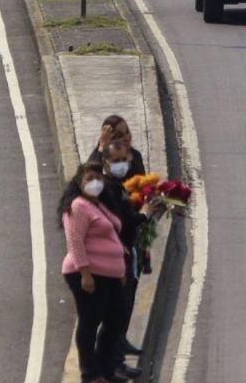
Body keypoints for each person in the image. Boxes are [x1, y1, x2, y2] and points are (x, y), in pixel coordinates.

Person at [59, 163, 127, 383]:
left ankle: (105, 367)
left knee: (115, 320)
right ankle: (90, 372)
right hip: (89, 274)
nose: (95, 182)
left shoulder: (98, 205)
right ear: (80, 183)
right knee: (90, 321)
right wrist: (85, 274)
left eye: (98, 177)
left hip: (110, 275)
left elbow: (112, 235)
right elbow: (75, 242)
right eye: (90, 178)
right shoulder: (77, 207)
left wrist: (120, 270)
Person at [96, 139, 148, 380]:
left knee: (121, 313)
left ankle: (116, 362)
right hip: (114, 259)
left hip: (126, 253)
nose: (121, 165)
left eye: (123, 160)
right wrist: (143, 217)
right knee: (113, 316)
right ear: (105, 163)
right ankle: (108, 367)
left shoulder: (119, 187)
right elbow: (121, 221)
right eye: (115, 161)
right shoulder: (106, 190)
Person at [89, 114, 146, 179]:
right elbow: (89, 174)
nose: (127, 137)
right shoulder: (101, 158)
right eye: (120, 135)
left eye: (127, 132)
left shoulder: (136, 155)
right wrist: (102, 146)